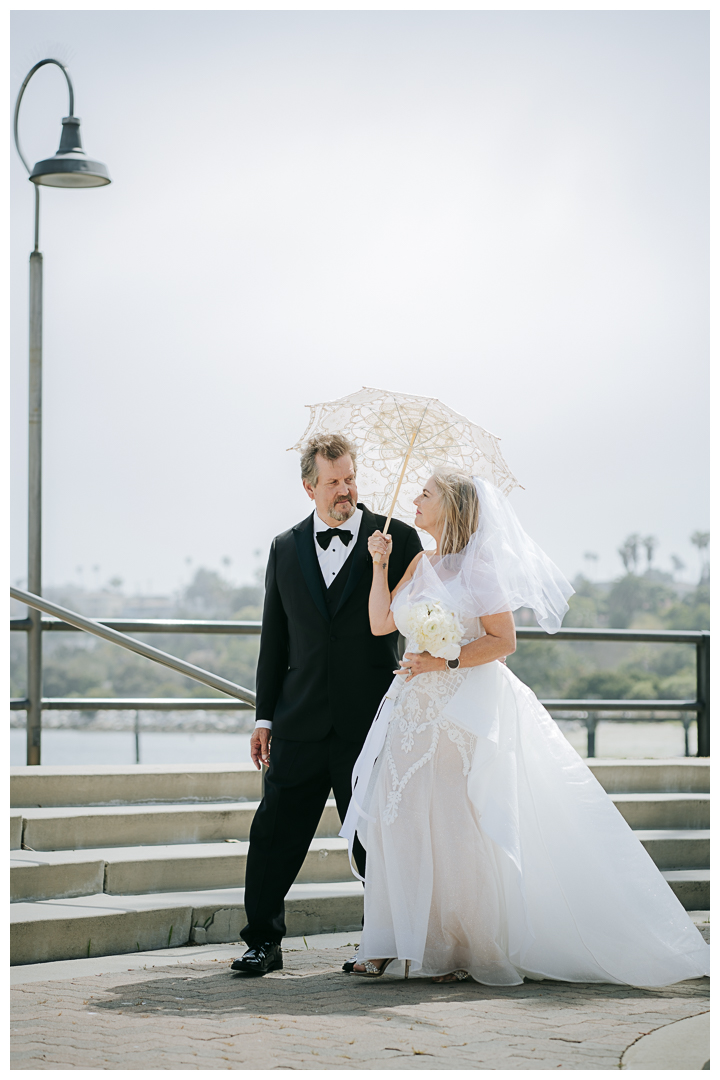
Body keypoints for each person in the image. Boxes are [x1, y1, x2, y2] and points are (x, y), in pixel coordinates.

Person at [341, 472, 710, 986]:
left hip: (459, 712)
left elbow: (503, 641)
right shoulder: (420, 563)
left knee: (456, 827)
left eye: (426, 493)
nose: (415, 500)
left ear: (452, 507)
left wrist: (443, 663)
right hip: (410, 716)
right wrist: (380, 566)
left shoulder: (480, 570)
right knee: (397, 820)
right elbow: (381, 623)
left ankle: (467, 945)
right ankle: (389, 941)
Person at [230, 433, 424, 976]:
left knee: (374, 839)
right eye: (334, 481)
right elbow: (276, 639)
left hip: (371, 720)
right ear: (309, 486)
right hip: (298, 719)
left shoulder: (399, 538)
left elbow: (425, 616)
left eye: (351, 478)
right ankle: (262, 942)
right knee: (273, 834)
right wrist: (263, 715)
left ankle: (384, 942)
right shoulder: (284, 547)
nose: (346, 490)